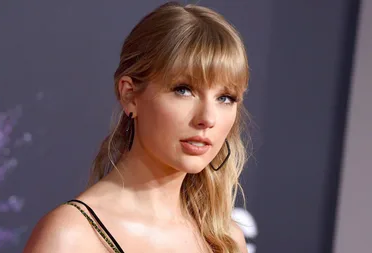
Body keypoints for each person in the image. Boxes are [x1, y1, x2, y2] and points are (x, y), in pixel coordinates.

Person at [24, 1, 251, 252]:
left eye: (225, 98)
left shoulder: (227, 241)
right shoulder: (71, 237)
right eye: (183, 90)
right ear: (130, 95)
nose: (208, 118)